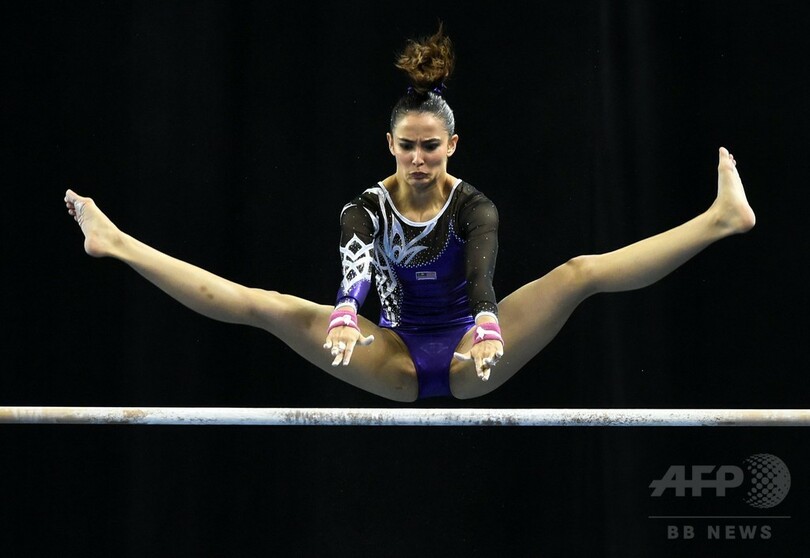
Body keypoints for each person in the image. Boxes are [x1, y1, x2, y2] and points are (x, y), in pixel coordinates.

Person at [64, 26, 755, 402]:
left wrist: (487, 326)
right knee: (264, 305)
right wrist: (341, 316)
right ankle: (120, 243)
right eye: (407, 147)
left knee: (577, 274)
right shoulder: (366, 206)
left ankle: (719, 220)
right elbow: (355, 271)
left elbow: (484, 274)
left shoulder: (472, 205)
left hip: (468, 349)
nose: (419, 159)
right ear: (389, 144)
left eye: (431, 147)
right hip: (389, 354)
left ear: (452, 145)